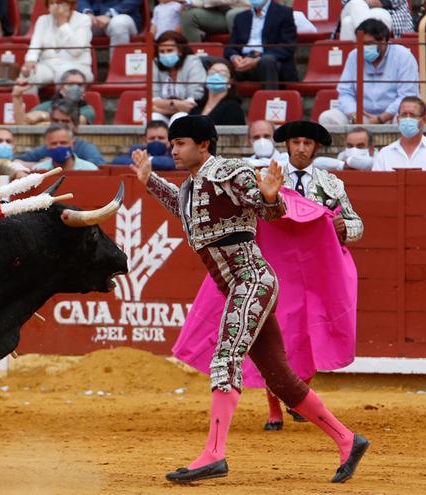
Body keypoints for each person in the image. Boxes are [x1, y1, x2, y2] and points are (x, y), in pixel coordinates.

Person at [130, 114, 369, 485]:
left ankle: (213, 454)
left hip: (252, 281)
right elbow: (182, 207)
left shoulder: (231, 171)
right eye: (172, 144)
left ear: (204, 145)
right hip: (239, 286)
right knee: (281, 378)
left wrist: (271, 197)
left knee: (225, 358)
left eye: (179, 144)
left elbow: (267, 209)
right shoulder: (193, 186)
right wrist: (149, 182)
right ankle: (348, 439)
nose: (172, 150)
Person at [175, 120, 363, 433]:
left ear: (316, 148)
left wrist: (346, 229)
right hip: (276, 263)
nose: (301, 148)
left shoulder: (331, 185)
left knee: (305, 334)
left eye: (307, 143)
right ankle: (275, 406)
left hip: (314, 271)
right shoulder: (265, 175)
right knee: (279, 334)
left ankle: (295, 394)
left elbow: (357, 223)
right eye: (296, 143)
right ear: (287, 146)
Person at [320, 19, 418, 126]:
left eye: (368, 44)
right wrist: (355, 115)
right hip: (361, 116)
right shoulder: (354, 56)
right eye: (360, 44)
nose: (363, 48)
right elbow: (345, 92)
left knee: (404, 119)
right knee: (327, 118)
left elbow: (407, 95)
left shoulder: (403, 56)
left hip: (392, 115)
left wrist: (382, 118)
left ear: (383, 40)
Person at [225, 0, 298, 90]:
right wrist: (234, 57)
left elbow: (288, 47)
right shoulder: (240, 17)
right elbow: (230, 47)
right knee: (215, 63)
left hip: (268, 62)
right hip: (243, 62)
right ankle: (227, 103)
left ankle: (269, 100)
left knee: (266, 61)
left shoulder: (284, 13)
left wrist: (257, 60)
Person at [14, 99, 106, 165]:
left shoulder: (84, 148)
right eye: (56, 121)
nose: (60, 125)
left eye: (65, 121)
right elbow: (15, 161)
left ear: (76, 126)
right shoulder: (46, 148)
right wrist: (38, 165)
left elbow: (98, 164)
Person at [24, 0, 93, 85]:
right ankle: (22, 98)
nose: (55, 7)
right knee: (29, 76)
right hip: (48, 66)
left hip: (76, 66)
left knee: (67, 78)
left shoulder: (83, 20)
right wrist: (31, 60)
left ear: (69, 4)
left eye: (59, 3)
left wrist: (62, 23)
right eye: (51, 3)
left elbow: (76, 50)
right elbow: (34, 46)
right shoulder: (43, 20)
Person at [373, 96, 426, 171]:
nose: (407, 119)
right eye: (404, 115)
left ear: (424, 120)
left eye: (412, 115)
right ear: (398, 119)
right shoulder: (384, 153)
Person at [152, 31, 206, 123]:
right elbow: (153, 100)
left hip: (190, 114)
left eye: (169, 50)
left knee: (179, 118)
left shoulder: (193, 62)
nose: (165, 54)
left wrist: (162, 106)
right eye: (162, 51)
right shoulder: (156, 63)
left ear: (180, 51)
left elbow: (190, 105)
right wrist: (176, 104)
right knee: (153, 117)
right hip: (164, 113)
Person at [12, 68, 97, 125]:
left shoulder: (87, 109)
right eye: (70, 84)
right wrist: (17, 96)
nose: (75, 88)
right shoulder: (47, 106)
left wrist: (42, 116)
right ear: (61, 88)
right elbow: (23, 123)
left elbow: (74, 122)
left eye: (79, 85)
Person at [191, 60, 246, 125]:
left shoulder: (233, 108)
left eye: (223, 74)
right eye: (212, 73)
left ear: (230, 82)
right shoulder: (197, 107)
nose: (216, 76)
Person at [111, 119, 175, 171]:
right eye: (152, 138)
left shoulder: (174, 152)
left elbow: (171, 163)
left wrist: (145, 160)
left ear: (169, 141)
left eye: (161, 138)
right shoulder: (137, 150)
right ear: (144, 141)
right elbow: (117, 161)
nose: (156, 141)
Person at [32, 123, 100, 171]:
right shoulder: (38, 171)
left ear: (72, 144)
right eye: (54, 143)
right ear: (47, 146)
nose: (58, 146)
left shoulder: (90, 169)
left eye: (63, 143)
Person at [78, 0, 143, 49]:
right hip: (94, 17)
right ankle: (78, 66)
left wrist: (110, 14)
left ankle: (118, 66)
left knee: (119, 24)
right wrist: (87, 12)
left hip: (122, 14)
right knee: (78, 24)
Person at [180, 0, 249, 43]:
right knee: (189, 15)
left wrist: (191, 1)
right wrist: (186, 3)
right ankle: (194, 55)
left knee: (232, 14)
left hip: (243, 9)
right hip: (220, 12)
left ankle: (241, 53)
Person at [339, 0, 411, 40]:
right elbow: (345, 2)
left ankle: (353, 60)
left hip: (386, 11)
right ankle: (367, 41)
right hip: (354, 8)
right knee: (356, 3)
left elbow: (380, 3)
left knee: (347, 22)